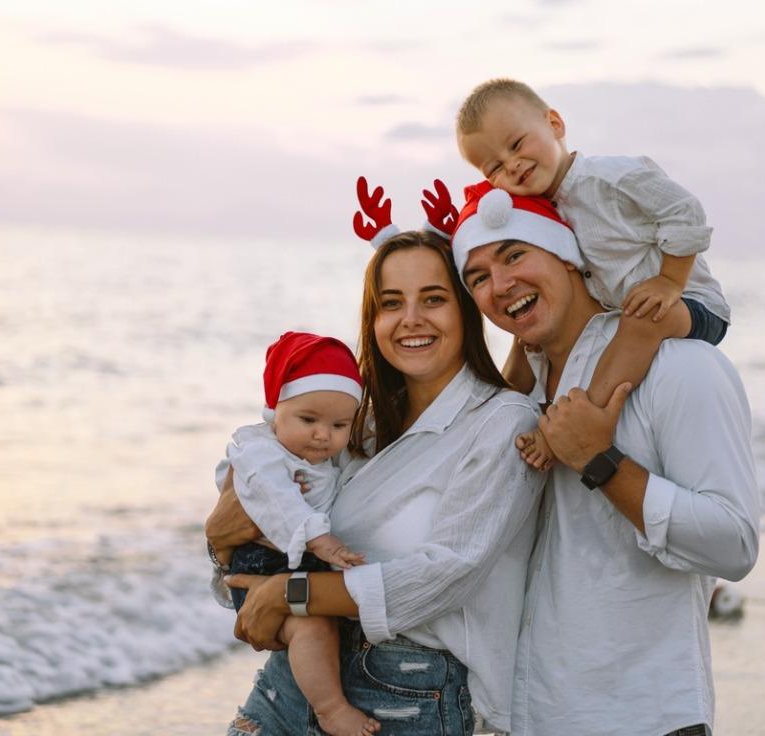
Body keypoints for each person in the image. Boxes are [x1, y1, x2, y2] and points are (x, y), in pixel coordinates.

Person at [208, 225, 546, 736]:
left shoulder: (502, 424)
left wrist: (289, 593)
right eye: (391, 303)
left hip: (411, 693)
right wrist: (219, 543)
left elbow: (443, 577)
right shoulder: (352, 424)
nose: (410, 320)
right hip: (294, 682)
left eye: (433, 299)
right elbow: (258, 522)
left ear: (465, 309)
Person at [452, 187, 760, 735]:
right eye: (477, 277)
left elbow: (733, 544)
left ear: (567, 253)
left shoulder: (680, 365)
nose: (500, 286)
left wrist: (599, 461)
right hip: (519, 718)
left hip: (639, 715)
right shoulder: (513, 399)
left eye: (515, 254)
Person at [456, 78, 731, 470]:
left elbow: (684, 211)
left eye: (516, 145)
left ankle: (576, 423)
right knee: (536, 345)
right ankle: (484, 429)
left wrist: (669, 281)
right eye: (495, 166)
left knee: (639, 323)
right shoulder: (545, 210)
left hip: (692, 305)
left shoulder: (610, 178)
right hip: (626, 313)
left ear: (554, 123)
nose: (512, 164)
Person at [212, 331, 378, 736]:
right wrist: (322, 541)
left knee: (323, 627)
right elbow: (280, 504)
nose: (324, 435)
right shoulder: (261, 453)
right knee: (312, 627)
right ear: (276, 410)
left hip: (299, 562)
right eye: (309, 420)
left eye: (339, 424)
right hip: (264, 563)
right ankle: (330, 710)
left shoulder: (317, 450)